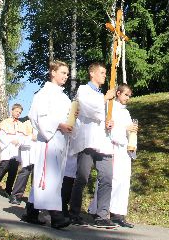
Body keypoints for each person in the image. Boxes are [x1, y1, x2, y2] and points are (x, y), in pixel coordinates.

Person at [21, 60, 73, 228]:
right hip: (49, 139)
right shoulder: (43, 94)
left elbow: (67, 118)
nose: (66, 76)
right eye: (63, 72)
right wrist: (58, 125)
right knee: (49, 176)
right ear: (53, 73)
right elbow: (40, 117)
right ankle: (56, 216)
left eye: (67, 73)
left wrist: (72, 120)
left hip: (61, 140)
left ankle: (32, 211)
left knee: (52, 177)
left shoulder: (64, 97)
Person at [68, 62, 116, 229]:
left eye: (105, 73)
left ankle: (102, 215)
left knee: (107, 177)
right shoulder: (84, 90)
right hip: (88, 141)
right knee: (82, 178)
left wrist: (108, 122)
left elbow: (102, 116)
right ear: (92, 74)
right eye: (102, 73)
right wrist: (105, 99)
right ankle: (74, 213)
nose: (104, 75)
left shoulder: (103, 95)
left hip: (102, 141)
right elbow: (88, 110)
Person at [88, 84, 138, 228]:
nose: (128, 98)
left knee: (123, 181)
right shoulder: (111, 108)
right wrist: (125, 128)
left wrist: (132, 133)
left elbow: (128, 129)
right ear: (118, 93)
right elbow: (109, 127)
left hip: (124, 150)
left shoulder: (126, 112)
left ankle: (118, 212)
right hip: (114, 147)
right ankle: (97, 209)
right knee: (111, 180)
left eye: (129, 96)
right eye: (125, 95)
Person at [0, 104, 25, 197]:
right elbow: (1, 135)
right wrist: (10, 141)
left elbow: (22, 137)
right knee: (2, 169)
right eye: (17, 111)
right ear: (12, 111)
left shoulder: (20, 125)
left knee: (13, 172)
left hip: (16, 151)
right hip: (7, 149)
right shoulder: (5, 122)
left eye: (20, 112)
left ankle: (8, 190)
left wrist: (19, 142)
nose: (18, 113)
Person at [9, 116, 36, 205]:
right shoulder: (26, 124)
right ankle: (16, 195)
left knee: (36, 176)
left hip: (37, 152)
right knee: (24, 173)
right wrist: (31, 137)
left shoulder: (42, 124)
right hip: (27, 151)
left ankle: (34, 198)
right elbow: (19, 139)